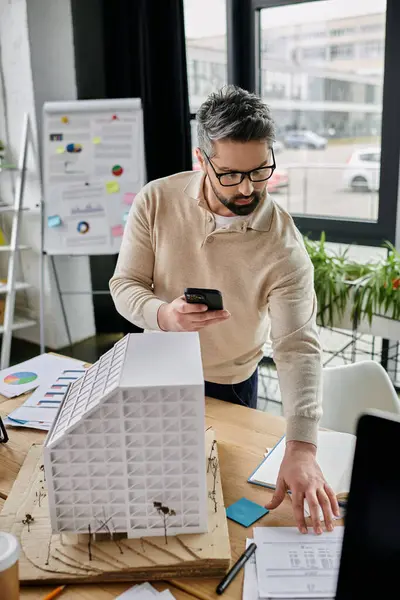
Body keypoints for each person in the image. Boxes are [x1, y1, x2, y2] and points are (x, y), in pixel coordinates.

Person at [109, 85, 340, 534]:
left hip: (229, 383)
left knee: (225, 506)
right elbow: (124, 285)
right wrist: (163, 316)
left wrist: (303, 447)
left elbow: (297, 349)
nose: (249, 187)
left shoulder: (284, 247)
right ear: (203, 161)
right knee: (145, 500)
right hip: (153, 369)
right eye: (232, 174)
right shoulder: (156, 200)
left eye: (261, 170)